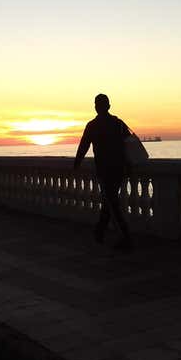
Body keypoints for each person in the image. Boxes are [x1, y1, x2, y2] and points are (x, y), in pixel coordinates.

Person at [73, 94, 132, 251]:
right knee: (110, 201)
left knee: (111, 202)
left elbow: (83, 146)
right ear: (109, 106)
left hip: (104, 170)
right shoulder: (118, 123)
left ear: (96, 107)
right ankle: (100, 232)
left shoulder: (92, 125)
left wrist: (76, 164)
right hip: (118, 169)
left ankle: (125, 237)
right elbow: (129, 142)